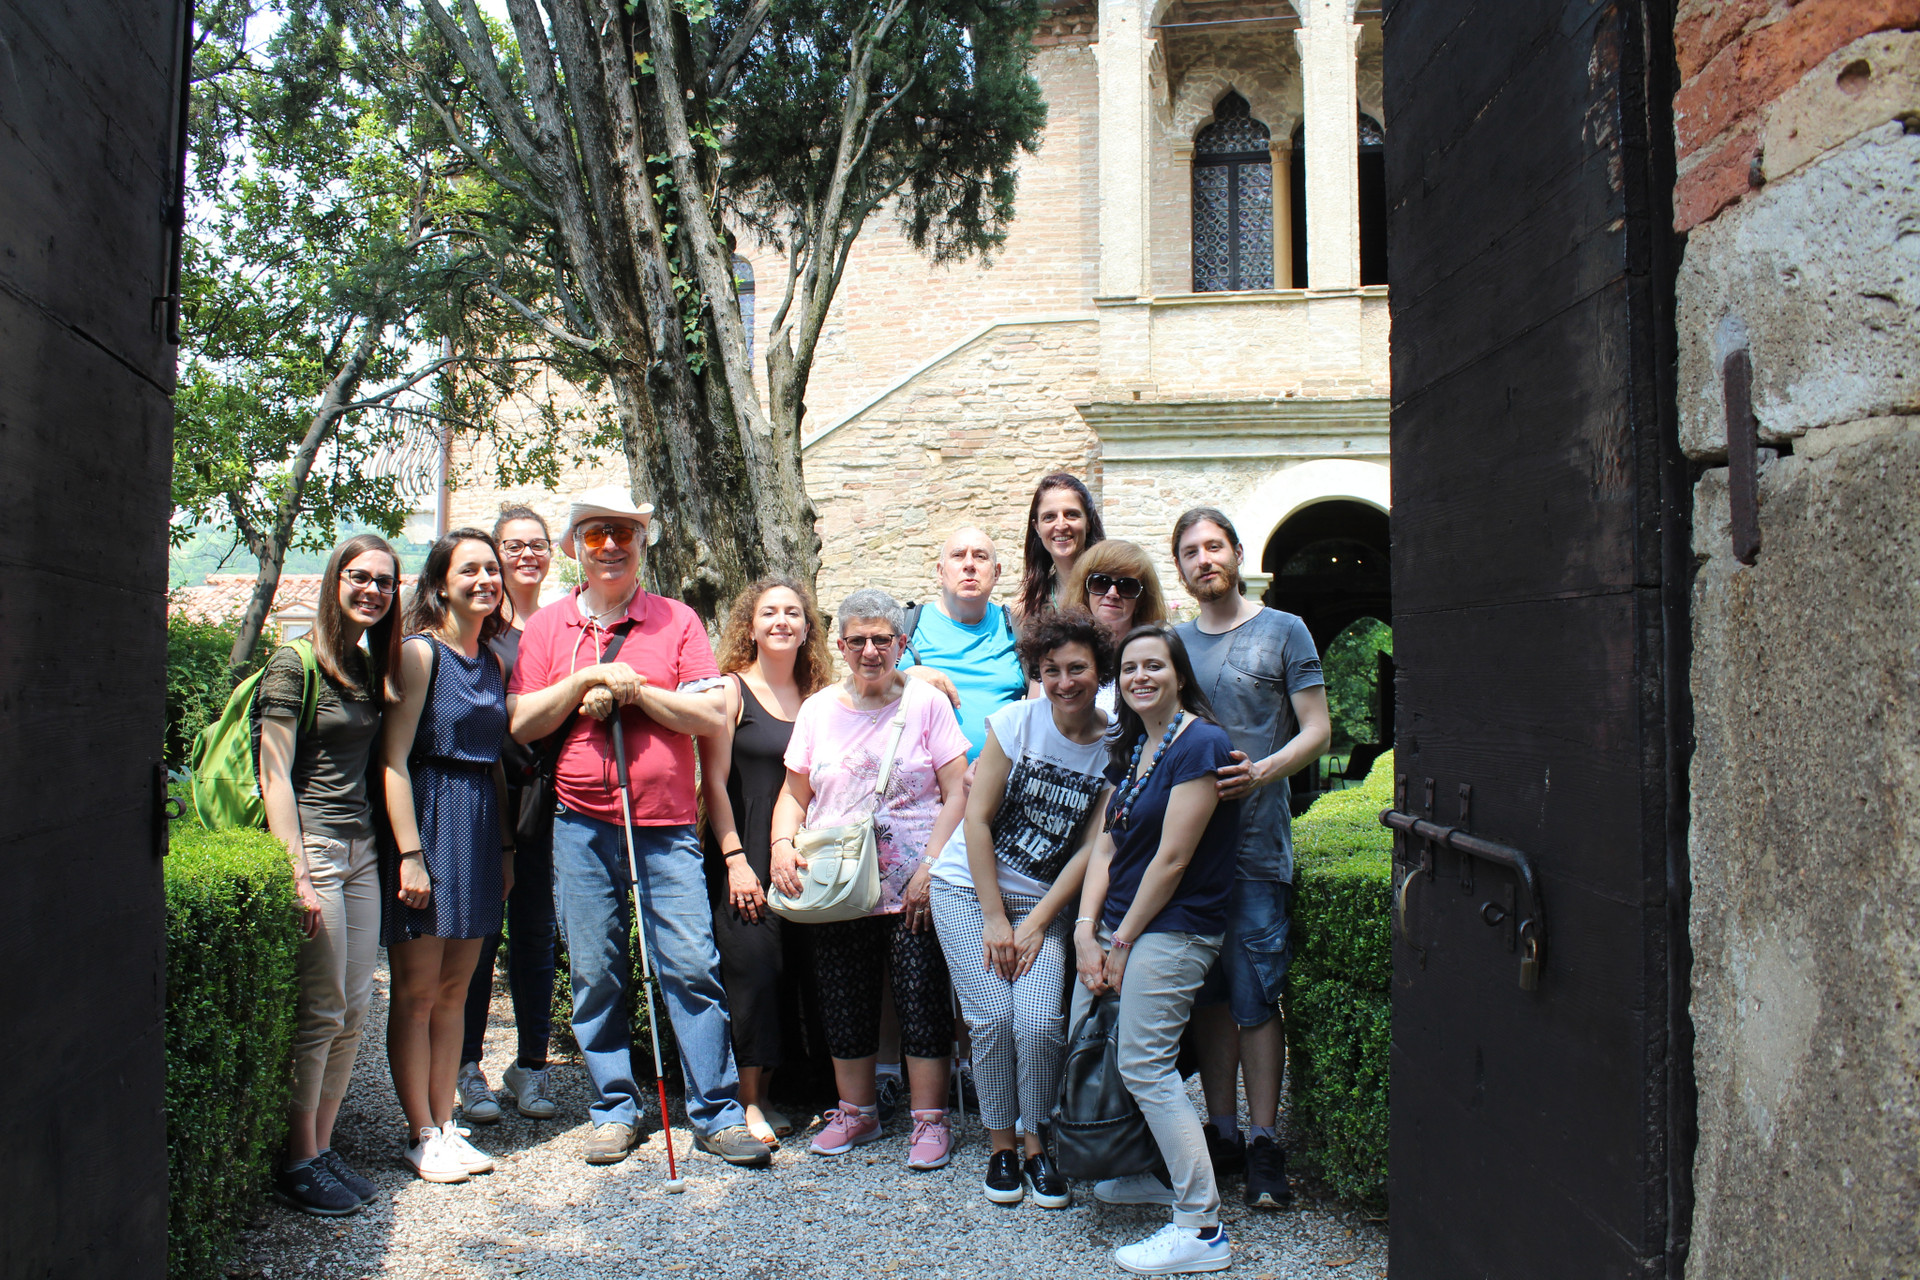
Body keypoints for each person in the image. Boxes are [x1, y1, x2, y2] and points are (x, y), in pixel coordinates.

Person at [505, 486, 768, 1169]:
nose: (611, 545)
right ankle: (615, 1110)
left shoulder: (676, 622)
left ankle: (713, 1112)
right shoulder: (548, 629)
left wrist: (634, 690)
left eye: (623, 532)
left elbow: (710, 717)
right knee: (596, 973)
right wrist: (585, 681)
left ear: (642, 543)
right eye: (595, 535)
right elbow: (523, 721)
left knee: (690, 967)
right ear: (575, 550)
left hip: (667, 824)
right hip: (581, 821)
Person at [770, 589, 971, 1171]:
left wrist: (933, 865)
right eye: (857, 640)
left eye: (882, 639)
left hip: (914, 881)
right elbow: (794, 793)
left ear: (902, 645)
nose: (870, 651)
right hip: (837, 882)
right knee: (843, 998)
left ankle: (929, 1121)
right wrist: (781, 845)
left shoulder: (927, 704)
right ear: (840, 646)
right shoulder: (818, 711)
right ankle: (856, 1111)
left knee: (921, 999)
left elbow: (958, 788)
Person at [1171, 507, 1331, 1210]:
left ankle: (1267, 1142)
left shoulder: (1283, 630)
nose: (1204, 558)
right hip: (1188, 859)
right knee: (1208, 1002)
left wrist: (1262, 772)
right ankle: (1224, 1131)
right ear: (1178, 567)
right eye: (1190, 551)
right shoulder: (1172, 644)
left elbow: (1319, 730)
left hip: (1259, 849)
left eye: (1214, 546)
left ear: (1237, 553)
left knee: (1257, 997)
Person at [927, 609, 1115, 1209]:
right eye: (1051, 670)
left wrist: (1034, 923)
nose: (1064, 681)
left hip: (1043, 901)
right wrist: (994, 918)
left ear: (1098, 670)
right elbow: (976, 820)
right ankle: (1001, 1146)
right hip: (967, 892)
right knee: (991, 1019)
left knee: (1036, 1022)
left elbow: (1091, 846)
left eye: (1077, 668)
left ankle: (1038, 1146)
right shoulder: (1015, 722)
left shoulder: (1115, 743)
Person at [1073, 625, 1242, 1275]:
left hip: (1177, 927)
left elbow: (1172, 860)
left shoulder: (1200, 742)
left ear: (1178, 673)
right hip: (1130, 926)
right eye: (1130, 668)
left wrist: (1118, 940)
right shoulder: (1136, 748)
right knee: (1130, 1057)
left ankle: (1200, 1229)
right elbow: (1110, 846)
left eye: (1155, 665)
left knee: (1145, 1064)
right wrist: (1087, 929)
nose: (1141, 676)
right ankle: (1152, 1172)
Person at [259, 534, 403, 1216]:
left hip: (362, 851)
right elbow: (273, 775)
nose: (373, 589)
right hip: (316, 848)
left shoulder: (371, 665)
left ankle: (321, 1146)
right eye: (361, 577)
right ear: (335, 580)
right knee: (320, 1012)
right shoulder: (293, 663)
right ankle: (298, 1160)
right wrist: (296, 874)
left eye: (384, 581)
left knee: (354, 1010)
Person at [378, 529, 515, 1184]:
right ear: (440, 583)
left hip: (480, 829)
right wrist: (409, 853)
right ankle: (420, 1131)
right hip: (430, 820)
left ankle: (446, 1119)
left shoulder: (491, 660)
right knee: (416, 992)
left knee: (458, 992)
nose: (486, 578)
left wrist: (507, 847)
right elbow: (392, 760)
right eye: (471, 570)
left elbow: (493, 763)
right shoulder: (418, 654)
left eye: (493, 569)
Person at [697, 576, 835, 1147]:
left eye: (793, 613)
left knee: (804, 976)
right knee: (754, 975)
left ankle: (797, 1089)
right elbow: (713, 782)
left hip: (808, 859)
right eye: (769, 612)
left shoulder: (823, 697)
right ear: (749, 626)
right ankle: (750, 1100)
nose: (781, 621)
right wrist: (734, 859)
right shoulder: (730, 692)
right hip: (745, 850)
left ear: (808, 629)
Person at [458, 505, 563, 1125]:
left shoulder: (565, 626)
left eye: (536, 544)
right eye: (512, 546)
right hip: (488, 795)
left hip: (550, 800)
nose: (526, 555)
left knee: (535, 934)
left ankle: (530, 1063)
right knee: (476, 935)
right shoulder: (481, 628)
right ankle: (467, 1066)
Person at [899, 526, 1029, 761]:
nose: (969, 564)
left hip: (1001, 787)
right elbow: (862, 694)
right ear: (940, 572)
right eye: (958, 555)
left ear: (997, 573)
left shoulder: (1017, 629)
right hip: (920, 790)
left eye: (980, 556)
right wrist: (903, 679)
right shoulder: (905, 625)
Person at [1060, 539, 1169, 713]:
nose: (1112, 593)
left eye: (1127, 586)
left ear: (1140, 599)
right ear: (1085, 590)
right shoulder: (1057, 652)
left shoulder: (1160, 655)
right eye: (1100, 582)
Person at [1015, 472, 1105, 619]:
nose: (1061, 525)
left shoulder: (1114, 593)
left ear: (1088, 522)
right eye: (1049, 517)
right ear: (1037, 527)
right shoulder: (1025, 610)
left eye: (1071, 514)